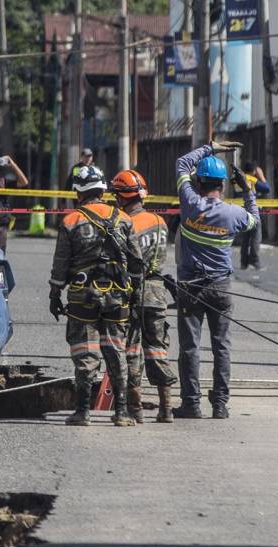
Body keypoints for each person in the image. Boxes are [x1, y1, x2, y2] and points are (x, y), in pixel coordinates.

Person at [49, 164, 144, 426]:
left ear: (78, 192)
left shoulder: (71, 221)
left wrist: (54, 294)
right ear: (103, 190)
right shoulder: (124, 219)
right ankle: (122, 412)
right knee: (116, 352)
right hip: (118, 297)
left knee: (84, 352)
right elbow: (137, 264)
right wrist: (137, 297)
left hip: (83, 297)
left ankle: (82, 412)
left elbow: (61, 265)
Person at [172, 141, 260, 419]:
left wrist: (210, 147)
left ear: (198, 182)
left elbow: (181, 164)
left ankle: (191, 404)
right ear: (222, 185)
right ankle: (220, 405)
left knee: (189, 347)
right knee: (221, 347)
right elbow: (254, 221)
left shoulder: (190, 202)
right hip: (221, 288)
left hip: (190, 287)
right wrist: (247, 190)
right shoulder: (233, 214)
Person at [112, 169, 177, 424]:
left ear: (121, 197)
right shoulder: (160, 222)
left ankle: (135, 409)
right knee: (158, 349)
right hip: (157, 292)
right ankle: (166, 408)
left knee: (130, 349)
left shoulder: (123, 223)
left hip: (131, 293)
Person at [238, 160, 272, 270]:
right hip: (252, 211)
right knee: (256, 237)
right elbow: (267, 188)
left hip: (241, 211)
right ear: (253, 171)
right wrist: (261, 176)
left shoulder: (239, 178)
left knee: (245, 238)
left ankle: (244, 262)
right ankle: (255, 261)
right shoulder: (251, 178)